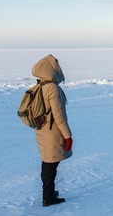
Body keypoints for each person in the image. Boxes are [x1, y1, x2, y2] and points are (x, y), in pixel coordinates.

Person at [31, 54, 73, 207]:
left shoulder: (40, 85)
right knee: (50, 164)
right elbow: (59, 115)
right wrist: (68, 136)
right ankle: (48, 197)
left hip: (42, 130)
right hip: (52, 132)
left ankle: (49, 192)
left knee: (48, 162)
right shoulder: (52, 88)